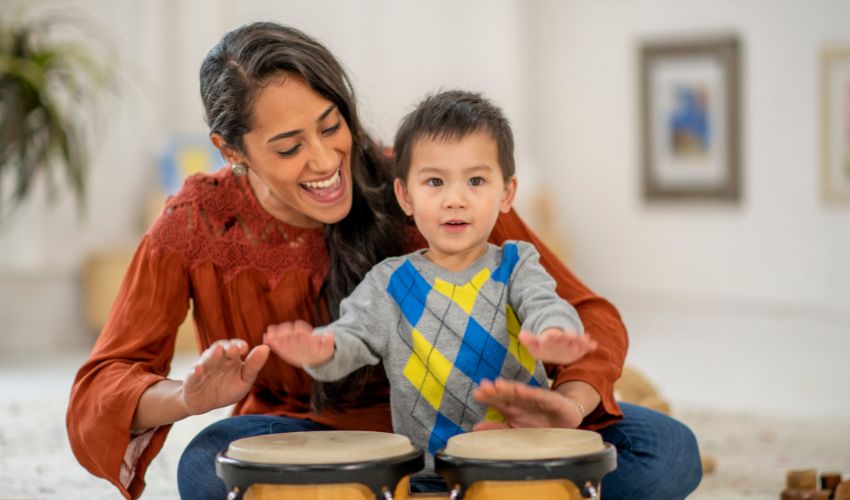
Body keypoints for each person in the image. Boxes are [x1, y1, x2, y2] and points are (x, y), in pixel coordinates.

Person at [66, 21, 702, 500]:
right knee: (207, 466)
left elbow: (584, 311)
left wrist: (567, 401)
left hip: (485, 427)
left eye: (330, 124)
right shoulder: (196, 222)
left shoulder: (429, 184)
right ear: (231, 150)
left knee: (665, 452)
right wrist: (187, 395)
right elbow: (101, 383)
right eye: (288, 146)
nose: (323, 160)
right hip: (320, 438)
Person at [264, 90, 599, 473]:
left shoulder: (516, 262)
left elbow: (546, 305)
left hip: (524, 457)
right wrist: (320, 349)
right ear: (405, 196)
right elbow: (351, 338)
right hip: (429, 471)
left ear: (506, 193)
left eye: (475, 180)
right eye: (435, 182)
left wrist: (556, 333)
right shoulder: (389, 282)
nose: (455, 199)